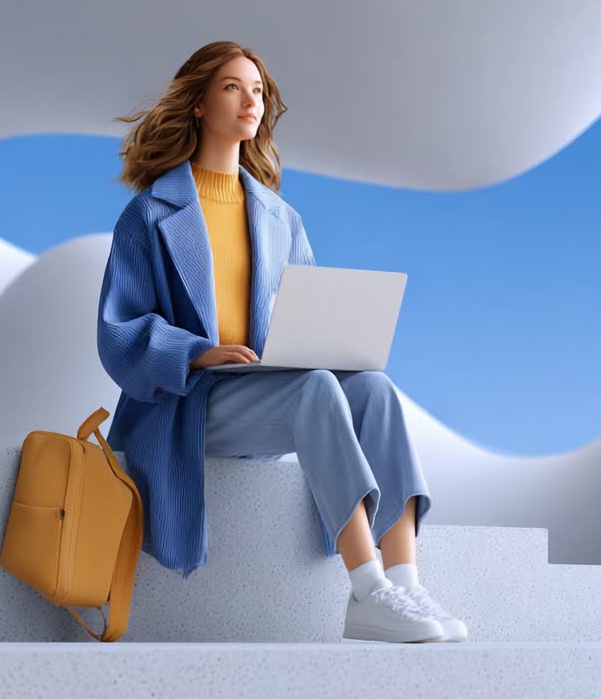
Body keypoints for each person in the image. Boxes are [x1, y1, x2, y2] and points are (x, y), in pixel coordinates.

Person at [99, 40, 467, 643]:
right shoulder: (149, 214)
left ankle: (404, 578)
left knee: (373, 388)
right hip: (187, 403)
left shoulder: (280, 217)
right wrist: (194, 351)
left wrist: (327, 342)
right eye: (232, 87)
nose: (250, 100)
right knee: (317, 390)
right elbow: (118, 332)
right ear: (198, 104)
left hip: (265, 390)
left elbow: (304, 314)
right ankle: (367, 590)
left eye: (258, 90)